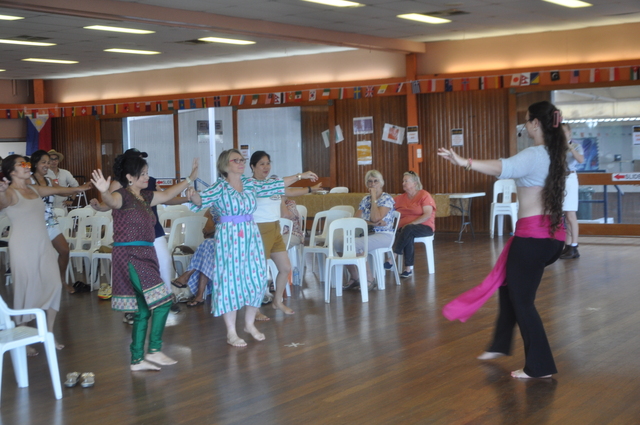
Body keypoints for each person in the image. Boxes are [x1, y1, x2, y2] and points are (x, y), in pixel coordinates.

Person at [437, 100, 567, 379]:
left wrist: (464, 162)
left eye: (526, 121)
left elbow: (501, 168)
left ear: (535, 124)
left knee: (523, 302)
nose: (525, 126)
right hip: (554, 237)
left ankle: (540, 366)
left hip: (532, 238)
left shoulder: (534, 154)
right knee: (510, 287)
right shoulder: (556, 154)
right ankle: (499, 344)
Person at [188, 149, 310, 347]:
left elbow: (276, 184)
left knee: (257, 278)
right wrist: (191, 192)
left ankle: (249, 324)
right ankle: (231, 332)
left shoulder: (250, 184)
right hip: (229, 237)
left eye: (242, 159)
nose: (241, 162)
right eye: (235, 160)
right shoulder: (219, 187)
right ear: (225, 165)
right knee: (229, 282)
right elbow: (200, 201)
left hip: (251, 234)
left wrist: (300, 176)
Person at [90, 155, 198, 371]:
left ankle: (137, 360)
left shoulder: (145, 196)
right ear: (130, 177)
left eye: (147, 172)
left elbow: (168, 194)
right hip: (130, 255)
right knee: (163, 301)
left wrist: (190, 178)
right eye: (143, 174)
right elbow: (110, 202)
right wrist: (103, 192)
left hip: (147, 254)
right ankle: (154, 350)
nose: (147, 177)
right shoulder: (121, 195)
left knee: (142, 311)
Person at [0, 155, 90, 353]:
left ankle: (48, 333)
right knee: (27, 289)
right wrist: (1, 192)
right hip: (22, 247)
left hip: (42, 244)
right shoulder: (10, 192)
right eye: (22, 164)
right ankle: (22, 339)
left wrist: (80, 188)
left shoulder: (34, 189)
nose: (27, 166)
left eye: (27, 163)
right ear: (11, 171)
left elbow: (58, 190)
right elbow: (3, 202)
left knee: (54, 285)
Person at [90, 148, 185, 322]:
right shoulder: (119, 184)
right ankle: (133, 308)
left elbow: (166, 196)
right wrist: (99, 204)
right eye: (139, 161)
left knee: (164, 263)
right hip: (130, 236)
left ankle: (165, 299)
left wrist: (187, 197)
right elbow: (110, 202)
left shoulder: (149, 181)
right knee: (132, 274)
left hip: (152, 229)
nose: (144, 169)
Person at [249, 151, 320, 315]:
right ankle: (255, 309)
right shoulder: (251, 184)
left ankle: (277, 302)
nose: (266, 167)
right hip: (259, 229)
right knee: (259, 271)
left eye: (268, 163)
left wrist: (311, 189)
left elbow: (291, 192)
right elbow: (284, 183)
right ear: (252, 166)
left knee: (285, 267)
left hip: (275, 228)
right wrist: (301, 175)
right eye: (261, 164)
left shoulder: (272, 183)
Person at [30, 150, 83, 294]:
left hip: (51, 221)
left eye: (48, 162)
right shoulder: (29, 180)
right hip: (35, 224)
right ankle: (38, 286)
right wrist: (78, 188)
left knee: (64, 250)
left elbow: (63, 191)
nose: (47, 165)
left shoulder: (49, 180)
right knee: (39, 256)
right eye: (44, 162)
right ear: (35, 163)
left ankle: (61, 281)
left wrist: (78, 190)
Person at [340, 170, 395, 291]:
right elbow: (356, 220)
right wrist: (370, 223)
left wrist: (374, 198)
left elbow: (376, 217)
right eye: (370, 181)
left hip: (383, 235)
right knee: (339, 243)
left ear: (381, 183)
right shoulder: (365, 199)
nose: (372, 184)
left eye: (376, 181)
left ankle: (370, 279)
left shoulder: (386, 198)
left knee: (352, 244)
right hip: (366, 233)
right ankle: (355, 277)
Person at [384, 171, 436, 278]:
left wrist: (410, 223)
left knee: (408, 229)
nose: (403, 183)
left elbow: (427, 215)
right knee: (407, 232)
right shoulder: (399, 198)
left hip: (424, 227)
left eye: (406, 181)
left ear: (415, 183)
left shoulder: (424, 195)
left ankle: (393, 257)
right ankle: (408, 269)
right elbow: (386, 208)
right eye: (403, 181)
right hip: (405, 229)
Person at [559, 123, 584, 259]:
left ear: (569, 132)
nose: (562, 134)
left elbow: (580, 160)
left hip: (570, 178)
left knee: (570, 214)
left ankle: (574, 246)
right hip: (559, 179)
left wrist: (569, 147)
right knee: (565, 215)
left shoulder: (576, 146)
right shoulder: (556, 147)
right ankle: (568, 245)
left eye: (564, 131)